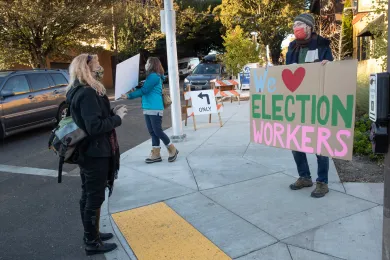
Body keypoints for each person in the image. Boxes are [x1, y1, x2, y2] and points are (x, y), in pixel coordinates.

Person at [66, 54, 127, 255]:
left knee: (89, 195)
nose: (101, 67)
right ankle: (92, 242)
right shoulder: (87, 93)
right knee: (94, 198)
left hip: (88, 152)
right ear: (87, 68)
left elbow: (93, 119)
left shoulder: (78, 90)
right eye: (97, 64)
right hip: (95, 153)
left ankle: (92, 234)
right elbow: (94, 127)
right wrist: (117, 119)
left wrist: (111, 113)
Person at [286, 13, 334, 198]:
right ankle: (304, 177)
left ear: (309, 27)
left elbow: (331, 70)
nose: (295, 27)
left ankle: (322, 182)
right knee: (295, 141)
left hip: (317, 101)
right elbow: (287, 72)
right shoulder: (292, 47)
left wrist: (327, 64)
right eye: (293, 24)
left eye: (299, 24)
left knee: (320, 143)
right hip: (297, 101)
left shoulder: (323, 45)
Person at [122, 57, 179, 163]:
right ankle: (156, 154)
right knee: (153, 132)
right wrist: (133, 90)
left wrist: (129, 96)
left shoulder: (153, 76)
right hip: (148, 107)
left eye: (147, 62)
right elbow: (144, 89)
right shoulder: (152, 77)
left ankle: (172, 149)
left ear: (152, 64)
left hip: (154, 107)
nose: (146, 64)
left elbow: (144, 90)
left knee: (157, 131)